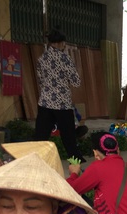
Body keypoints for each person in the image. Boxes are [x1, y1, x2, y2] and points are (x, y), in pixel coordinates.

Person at [34, 28, 84, 163]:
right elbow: (76, 81)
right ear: (60, 43)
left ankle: (35, 160)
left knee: (41, 135)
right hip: (62, 103)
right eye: (63, 43)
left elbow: (40, 80)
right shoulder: (65, 58)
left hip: (45, 101)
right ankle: (75, 160)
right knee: (68, 135)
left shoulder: (41, 58)